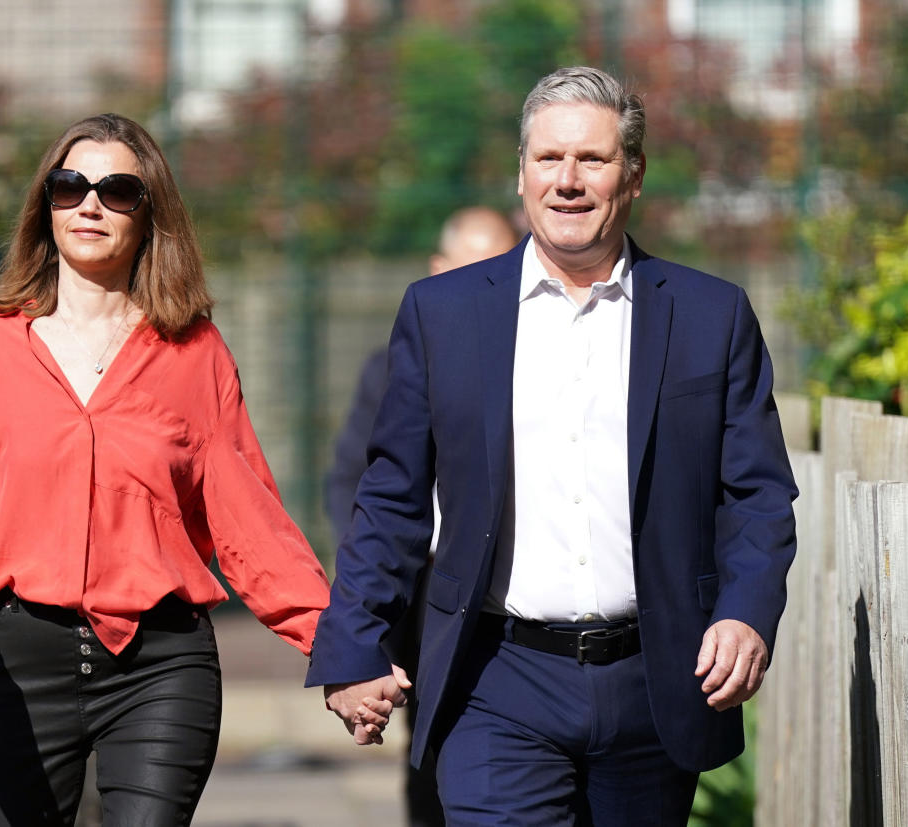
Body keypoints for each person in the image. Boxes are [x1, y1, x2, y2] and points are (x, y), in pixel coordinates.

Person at [307, 66, 798, 825]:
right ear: (522, 174)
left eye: (592, 160)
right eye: (548, 159)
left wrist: (745, 612)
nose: (567, 181)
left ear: (632, 175)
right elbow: (391, 498)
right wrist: (353, 645)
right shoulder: (443, 314)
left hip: (656, 679)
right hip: (496, 681)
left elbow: (757, 494)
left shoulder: (711, 317)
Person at [0, 113, 330, 826]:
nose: (90, 204)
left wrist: (336, 644)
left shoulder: (195, 352)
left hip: (160, 664)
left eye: (117, 190)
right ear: (47, 206)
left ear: (149, 213)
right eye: (70, 186)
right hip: (12, 660)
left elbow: (248, 517)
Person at [323, 206, 518, 826]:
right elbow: (357, 482)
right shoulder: (392, 364)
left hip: (505, 582)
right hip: (424, 582)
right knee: (427, 741)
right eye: (471, 263)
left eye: (501, 261)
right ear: (439, 269)